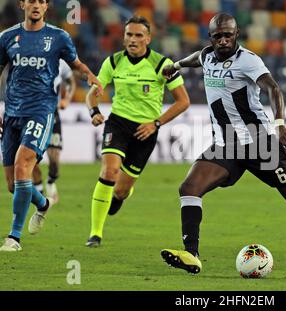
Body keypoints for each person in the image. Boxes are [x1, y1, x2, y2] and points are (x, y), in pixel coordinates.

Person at [160, 13, 286, 274]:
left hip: (260, 142)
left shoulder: (248, 61)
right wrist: (176, 65)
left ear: (236, 34)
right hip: (226, 144)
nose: (224, 40)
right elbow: (197, 58)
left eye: (229, 34)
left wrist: (279, 123)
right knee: (189, 187)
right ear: (211, 38)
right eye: (218, 36)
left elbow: (274, 89)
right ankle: (192, 254)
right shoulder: (207, 55)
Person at [0, 0, 103, 252]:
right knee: (14, 184)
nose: (36, 5)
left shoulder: (58, 37)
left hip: (41, 111)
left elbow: (76, 65)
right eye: (31, 0)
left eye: (41, 1)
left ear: (46, 7)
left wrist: (90, 76)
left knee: (24, 164)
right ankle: (43, 204)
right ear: (22, 4)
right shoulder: (7, 37)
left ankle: (13, 237)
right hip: (12, 112)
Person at [84, 16, 190, 247]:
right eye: (129, 35)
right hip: (118, 123)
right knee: (109, 171)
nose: (133, 39)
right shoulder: (112, 63)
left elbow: (183, 101)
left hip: (146, 130)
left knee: (121, 190)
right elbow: (92, 93)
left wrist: (156, 124)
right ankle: (95, 233)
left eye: (138, 35)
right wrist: (94, 111)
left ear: (148, 39)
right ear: (123, 38)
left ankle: (120, 196)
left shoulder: (163, 65)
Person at [32, 59, 76, 202]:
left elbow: (70, 81)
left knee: (54, 157)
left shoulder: (60, 62)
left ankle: (51, 180)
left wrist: (66, 99)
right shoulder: (26, 57)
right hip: (29, 113)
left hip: (52, 114)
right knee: (30, 157)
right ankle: (39, 194)